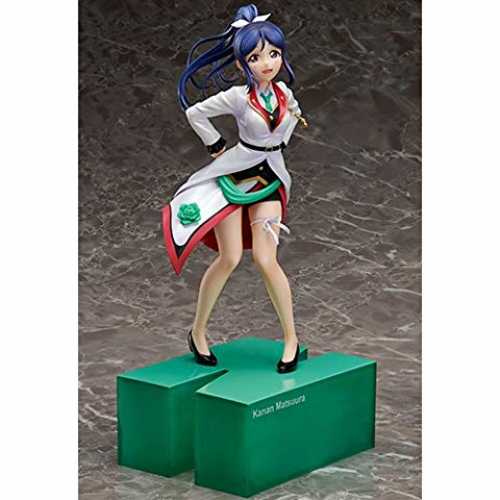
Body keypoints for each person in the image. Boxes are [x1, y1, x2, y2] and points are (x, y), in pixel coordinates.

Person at [162, 4, 307, 373]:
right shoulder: (237, 98)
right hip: (234, 175)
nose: (267, 63)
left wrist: (283, 135)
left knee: (266, 259)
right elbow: (195, 113)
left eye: (273, 54)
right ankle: (198, 332)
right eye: (256, 57)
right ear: (243, 64)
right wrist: (215, 146)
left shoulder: (284, 92)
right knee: (229, 258)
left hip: (270, 177)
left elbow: (292, 117)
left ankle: (291, 338)